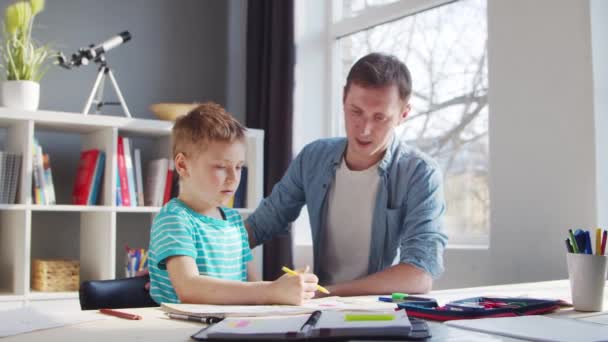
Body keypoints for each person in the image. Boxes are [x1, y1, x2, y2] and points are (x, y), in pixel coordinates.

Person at [245, 53, 448, 296]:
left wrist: (327, 293)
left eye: (379, 117)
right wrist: (202, 245)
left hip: (378, 312)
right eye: (356, 111)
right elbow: (260, 225)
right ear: (343, 98)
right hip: (319, 308)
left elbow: (418, 276)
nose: (364, 129)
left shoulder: (421, 174)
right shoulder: (313, 158)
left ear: (403, 114)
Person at [148, 102, 319, 305]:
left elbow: (253, 285)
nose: (233, 178)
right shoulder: (174, 219)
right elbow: (189, 288)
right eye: (221, 167)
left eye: (238, 167)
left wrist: (283, 290)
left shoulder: (233, 221)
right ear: (183, 165)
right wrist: (271, 290)